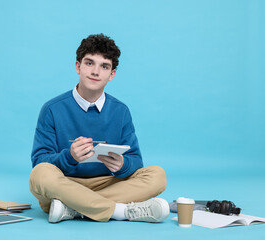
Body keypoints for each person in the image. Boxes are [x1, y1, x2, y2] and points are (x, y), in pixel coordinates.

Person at [29, 33, 170, 223]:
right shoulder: (52, 109)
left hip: (105, 184)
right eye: (89, 63)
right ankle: (121, 211)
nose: (95, 72)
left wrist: (122, 165)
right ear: (78, 66)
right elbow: (40, 160)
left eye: (104, 66)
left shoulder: (121, 111)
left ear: (112, 74)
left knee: (157, 175)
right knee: (40, 174)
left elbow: (136, 160)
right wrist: (69, 156)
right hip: (65, 184)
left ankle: (73, 208)